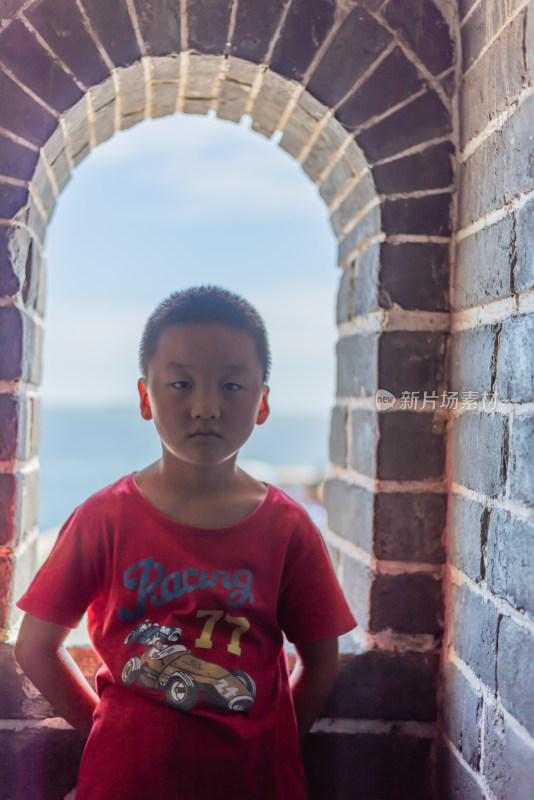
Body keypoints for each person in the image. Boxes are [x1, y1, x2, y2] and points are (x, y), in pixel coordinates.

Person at [15, 286, 356, 800]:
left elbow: (321, 661)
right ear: (145, 398)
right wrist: (108, 733)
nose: (206, 406)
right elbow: (35, 647)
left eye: (232, 386)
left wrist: (273, 745)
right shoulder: (102, 519)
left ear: (262, 402)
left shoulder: (289, 530)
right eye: (180, 383)